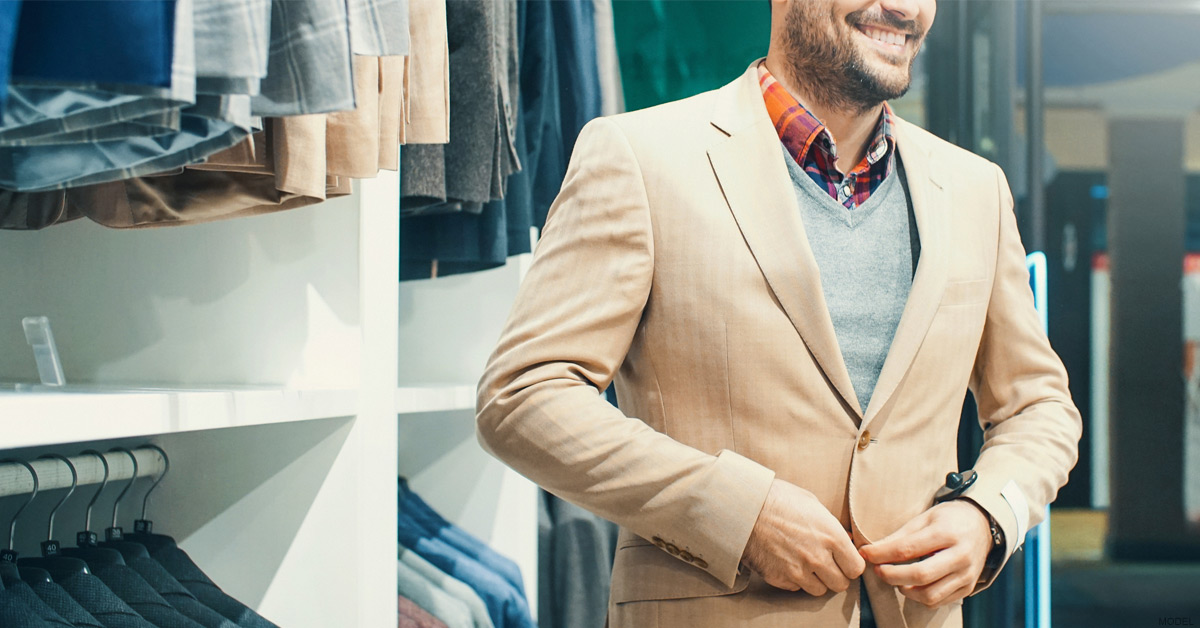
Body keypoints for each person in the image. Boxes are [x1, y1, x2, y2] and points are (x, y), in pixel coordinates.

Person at [475, 0, 1082, 626]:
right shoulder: (639, 157)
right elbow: (523, 396)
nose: (904, 8)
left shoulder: (975, 188)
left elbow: (1039, 407)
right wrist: (732, 510)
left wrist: (988, 512)